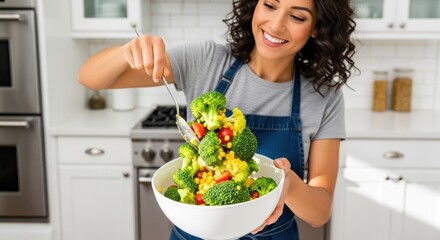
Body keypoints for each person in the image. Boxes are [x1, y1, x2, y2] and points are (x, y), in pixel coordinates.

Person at [78, 0, 357, 239]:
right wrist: (129, 51)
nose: (275, 25)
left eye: (296, 16)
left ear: (317, 27)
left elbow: (320, 212)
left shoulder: (324, 97)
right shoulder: (206, 61)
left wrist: (289, 184)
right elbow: (90, 77)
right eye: (269, 5)